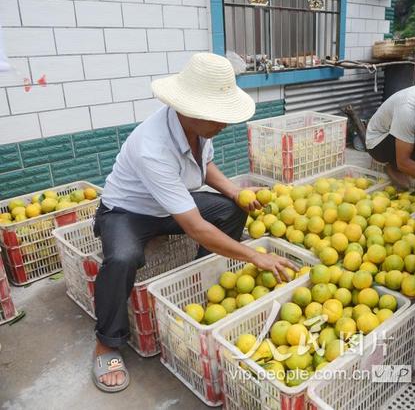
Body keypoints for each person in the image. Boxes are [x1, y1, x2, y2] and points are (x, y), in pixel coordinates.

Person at [91, 53, 295, 392]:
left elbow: (206, 167)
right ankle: (106, 343)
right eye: (218, 117)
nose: (224, 124)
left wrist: (234, 191)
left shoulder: (199, 128)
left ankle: (202, 279)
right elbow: (196, 227)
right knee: (122, 258)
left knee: (230, 210)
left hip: (171, 205)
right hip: (126, 212)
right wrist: (256, 256)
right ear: (189, 110)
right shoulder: (151, 147)